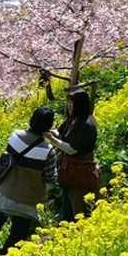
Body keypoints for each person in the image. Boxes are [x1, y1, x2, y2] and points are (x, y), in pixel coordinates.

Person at [0, 106, 57, 255]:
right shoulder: (48, 151)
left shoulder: (15, 136)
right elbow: (51, 177)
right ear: (49, 127)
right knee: (18, 233)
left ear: (32, 119)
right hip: (29, 199)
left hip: (5, 192)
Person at [44, 89, 99, 221]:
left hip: (80, 171)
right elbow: (60, 133)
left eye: (72, 103)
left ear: (80, 105)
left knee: (77, 204)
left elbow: (71, 149)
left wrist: (52, 139)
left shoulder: (86, 124)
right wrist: (49, 132)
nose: (69, 105)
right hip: (68, 169)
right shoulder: (72, 120)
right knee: (67, 200)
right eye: (68, 102)